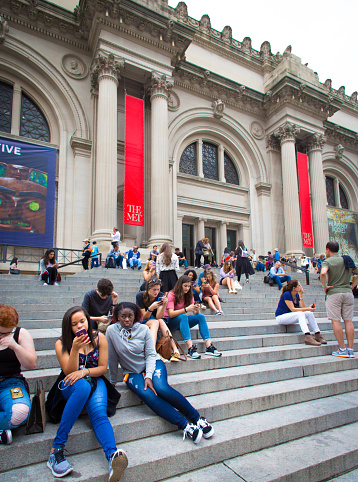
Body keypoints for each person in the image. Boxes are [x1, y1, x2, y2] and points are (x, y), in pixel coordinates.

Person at [107, 302, 215, 444]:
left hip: (152, 363)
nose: (127, 320)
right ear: (117, 317)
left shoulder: (143, 329)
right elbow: (113, 357)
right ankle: (185, 426)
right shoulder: (111, 331)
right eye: (123, 316)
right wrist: (113, 382)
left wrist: (149, 376)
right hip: (132, 372)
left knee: (161, 388)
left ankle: (197, 418)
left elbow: (151, 354)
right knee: (147, 394)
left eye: (130, 316)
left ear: (136, 316)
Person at [46, 306, 127, 480]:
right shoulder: (61, 343)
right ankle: (56, 450)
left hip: (94, 379)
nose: (79, 326)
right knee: (82, 386)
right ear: (69, 327)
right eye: (74, 324)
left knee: (98, 413)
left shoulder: (100, 339)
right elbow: (69, 372)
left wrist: (84, 372)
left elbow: (102, 368)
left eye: (82, 321)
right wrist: (75, 349)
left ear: (88, 321)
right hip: (70, 385)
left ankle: (112, 456)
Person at [0, 304, 36, 445]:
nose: (3, 336)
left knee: (20, 412)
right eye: (1, 333)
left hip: (11, 383)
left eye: (8, 333)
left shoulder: (21, 333)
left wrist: (14, 346)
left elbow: (31, 364)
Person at [165, 276, 222, 358]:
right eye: (185, 286)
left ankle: (209, 346)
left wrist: (197, 309)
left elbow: (195, 313)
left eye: (189, 286)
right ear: (180, 285)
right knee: (183, 316)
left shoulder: (189, 295)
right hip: (171, 322)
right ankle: (190, 348)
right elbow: (171, 314)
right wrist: (186, 309)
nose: (187, 288)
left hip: (182, 320)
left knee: (201, 316)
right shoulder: (172, 294)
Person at [320, 241, 358, 358]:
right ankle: (350, 350)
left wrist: (324, 287)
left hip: (334, 293)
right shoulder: (346, 260)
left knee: (335, 320)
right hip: (347, 292)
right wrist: (353, 285)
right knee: (348, 320)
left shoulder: (328, 261)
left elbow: (323, 273)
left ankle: (342, 349)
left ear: (327, 250)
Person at [135, 279, 180, 362]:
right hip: (143, 319)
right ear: (148, 289)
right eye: (154, 290)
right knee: (155, 322)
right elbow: (144, 317)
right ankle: (152, 352)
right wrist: (151, 308)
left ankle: (175, 350)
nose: (156, 292)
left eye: (158, 289)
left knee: (161, 321)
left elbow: (159, 316)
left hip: (155, 319)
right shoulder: (140, 296)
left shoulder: (160, 295)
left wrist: (164, 305)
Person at [275, 280, 326, 346]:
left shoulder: (296, 295)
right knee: (301, 314)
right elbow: (293, 309)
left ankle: (318, 335)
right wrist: (307, 308)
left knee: (309, 313)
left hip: (290, 316)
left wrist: (301, 295)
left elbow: (302, 307)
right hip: (281, 317)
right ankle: (307, 336)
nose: (301, 287)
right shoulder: (287, 294)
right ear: (294, 288)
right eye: (299, 285)